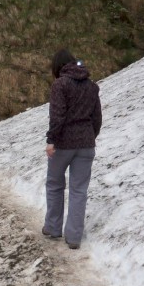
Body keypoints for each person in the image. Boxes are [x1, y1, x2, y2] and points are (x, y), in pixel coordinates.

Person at [43, 49, 102, 249]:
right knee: (79, 190)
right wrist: (88, 137)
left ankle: (53, 227)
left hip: (63, 144)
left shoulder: (60, 84)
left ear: (58, 67)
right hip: (86, 144)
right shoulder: (92, 86)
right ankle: (74, 237)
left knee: (54, 184)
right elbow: (97, 119)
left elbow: (57, 115)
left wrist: (51, 140)